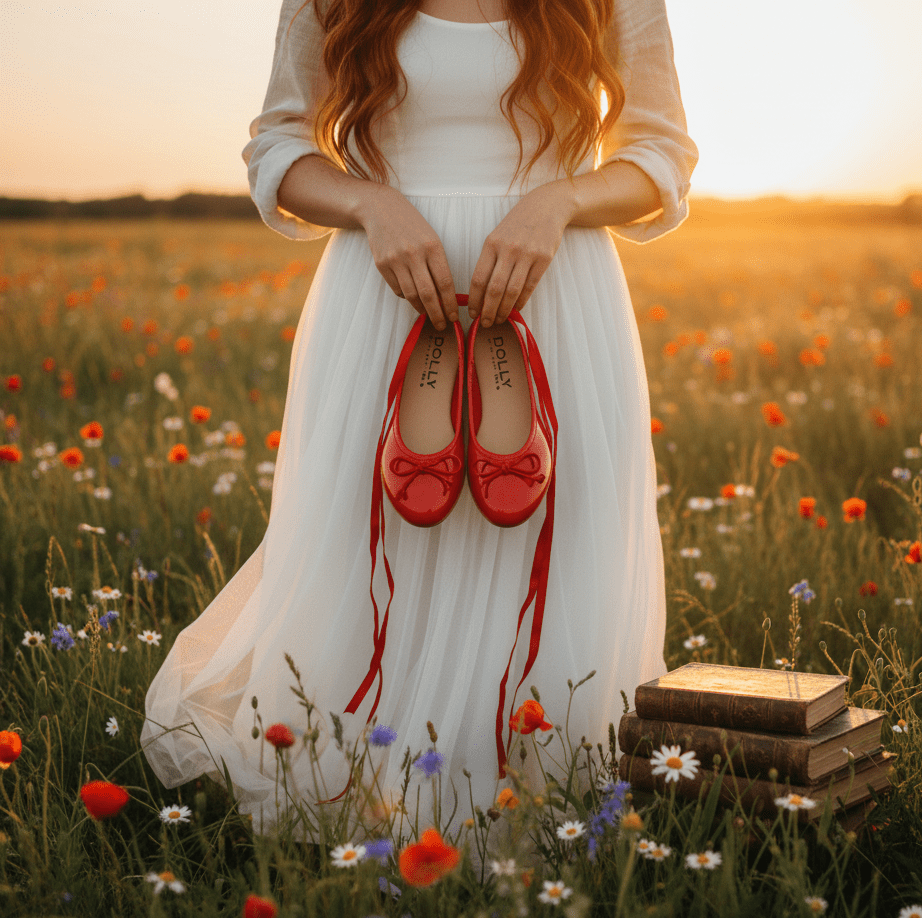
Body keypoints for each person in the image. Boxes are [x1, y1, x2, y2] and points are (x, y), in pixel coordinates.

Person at [141, 0, 697, 833]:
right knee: (379, 537)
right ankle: (374, 784)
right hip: (384, 294)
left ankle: (541, 791)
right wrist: (372, 206)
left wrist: (559, 203)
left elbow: (661, 156)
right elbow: (278, 148)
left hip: (557, 292)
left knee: (548, 541)